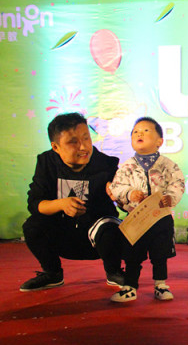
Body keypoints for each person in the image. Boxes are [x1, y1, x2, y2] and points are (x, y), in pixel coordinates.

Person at [20, 112, 125, 292]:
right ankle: (52, 274)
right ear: (56, 147)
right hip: (62, 236)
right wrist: (61, 204)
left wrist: (121, 195)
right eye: (73, 142)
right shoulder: (46, 162)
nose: (83, 147)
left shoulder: (106, 164)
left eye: (86, 138)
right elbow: (35, 203)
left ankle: (114, 271)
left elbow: (124, 204)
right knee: (32, 226)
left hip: (97, 240)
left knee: (111, 228)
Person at [108, 117, 185, 302]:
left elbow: (178, 183)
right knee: (132, 254)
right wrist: (129, 193)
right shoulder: (127, 166)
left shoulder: (168, 165)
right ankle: (130, 287)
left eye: (145, 131)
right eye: (135, 132)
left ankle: (161, 285)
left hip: (160, 218)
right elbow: (116, 187)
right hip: (136, 218)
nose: (139, 134)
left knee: (160, 253)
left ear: (160, 141)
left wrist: (170, 197)